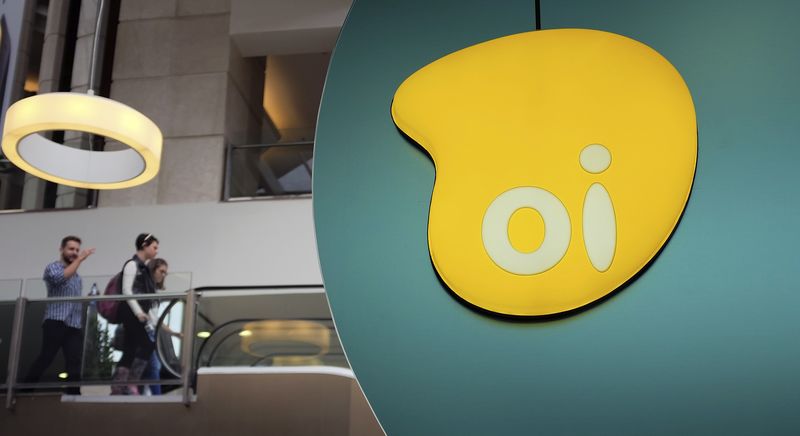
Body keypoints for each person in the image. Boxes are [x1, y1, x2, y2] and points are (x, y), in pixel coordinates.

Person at [24, 235, 95, 395]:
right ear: (61, 249)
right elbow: (59, 279)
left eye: (77, 250)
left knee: (74, 360)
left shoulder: (77, 277)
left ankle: (74, 394)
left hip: (74, 324)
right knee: (46, 357)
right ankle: (25, 391)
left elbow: (73, 299)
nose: (75, 253)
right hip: (55, 321)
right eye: (71, 249)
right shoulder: (53, 268)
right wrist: (80, 259)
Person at [110, 233, 159, 395]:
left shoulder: (144, 269)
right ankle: (131, 381)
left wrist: (149, 317)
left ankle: (120, 385)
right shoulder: (132, 265)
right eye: (154, 247)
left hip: (138, 313)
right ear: (145, 245)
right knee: (146, 344)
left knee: (130, 349)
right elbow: (126, 291)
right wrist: (138, 312)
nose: (156, 251)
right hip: (131, 312)